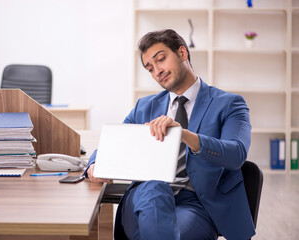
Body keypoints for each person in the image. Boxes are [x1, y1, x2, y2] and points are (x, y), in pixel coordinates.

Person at [85, 29, 255, 240]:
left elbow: (236, 153)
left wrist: (184, 135)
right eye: (150, 68)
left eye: (161, 59)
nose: (157, 71)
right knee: (155, 185)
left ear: (182, 53)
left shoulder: (229, 104)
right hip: (143, 199)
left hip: (195, 204)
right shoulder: (145, 107)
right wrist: (94, 164)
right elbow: (111, 145)